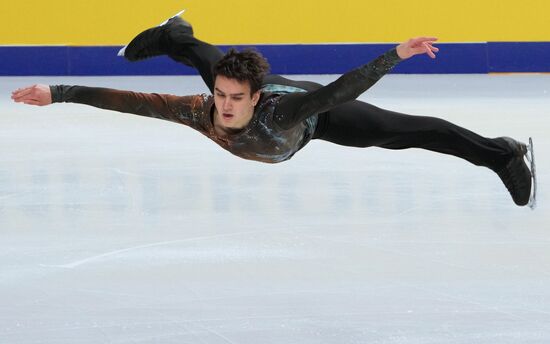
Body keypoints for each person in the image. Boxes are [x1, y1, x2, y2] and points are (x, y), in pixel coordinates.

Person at [11, 13, 535, 207]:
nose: (226, 106)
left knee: (408, 131)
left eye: (237, 98)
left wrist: (396, 54)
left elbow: (341, 90)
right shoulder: (203, 107)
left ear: (256, 98)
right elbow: (127, 102)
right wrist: (55, 92)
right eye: (223, 98)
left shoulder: (277, 113)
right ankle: (178, 36)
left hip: (311, 115)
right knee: (216, 66)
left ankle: (502, 155)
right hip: (266, 92)